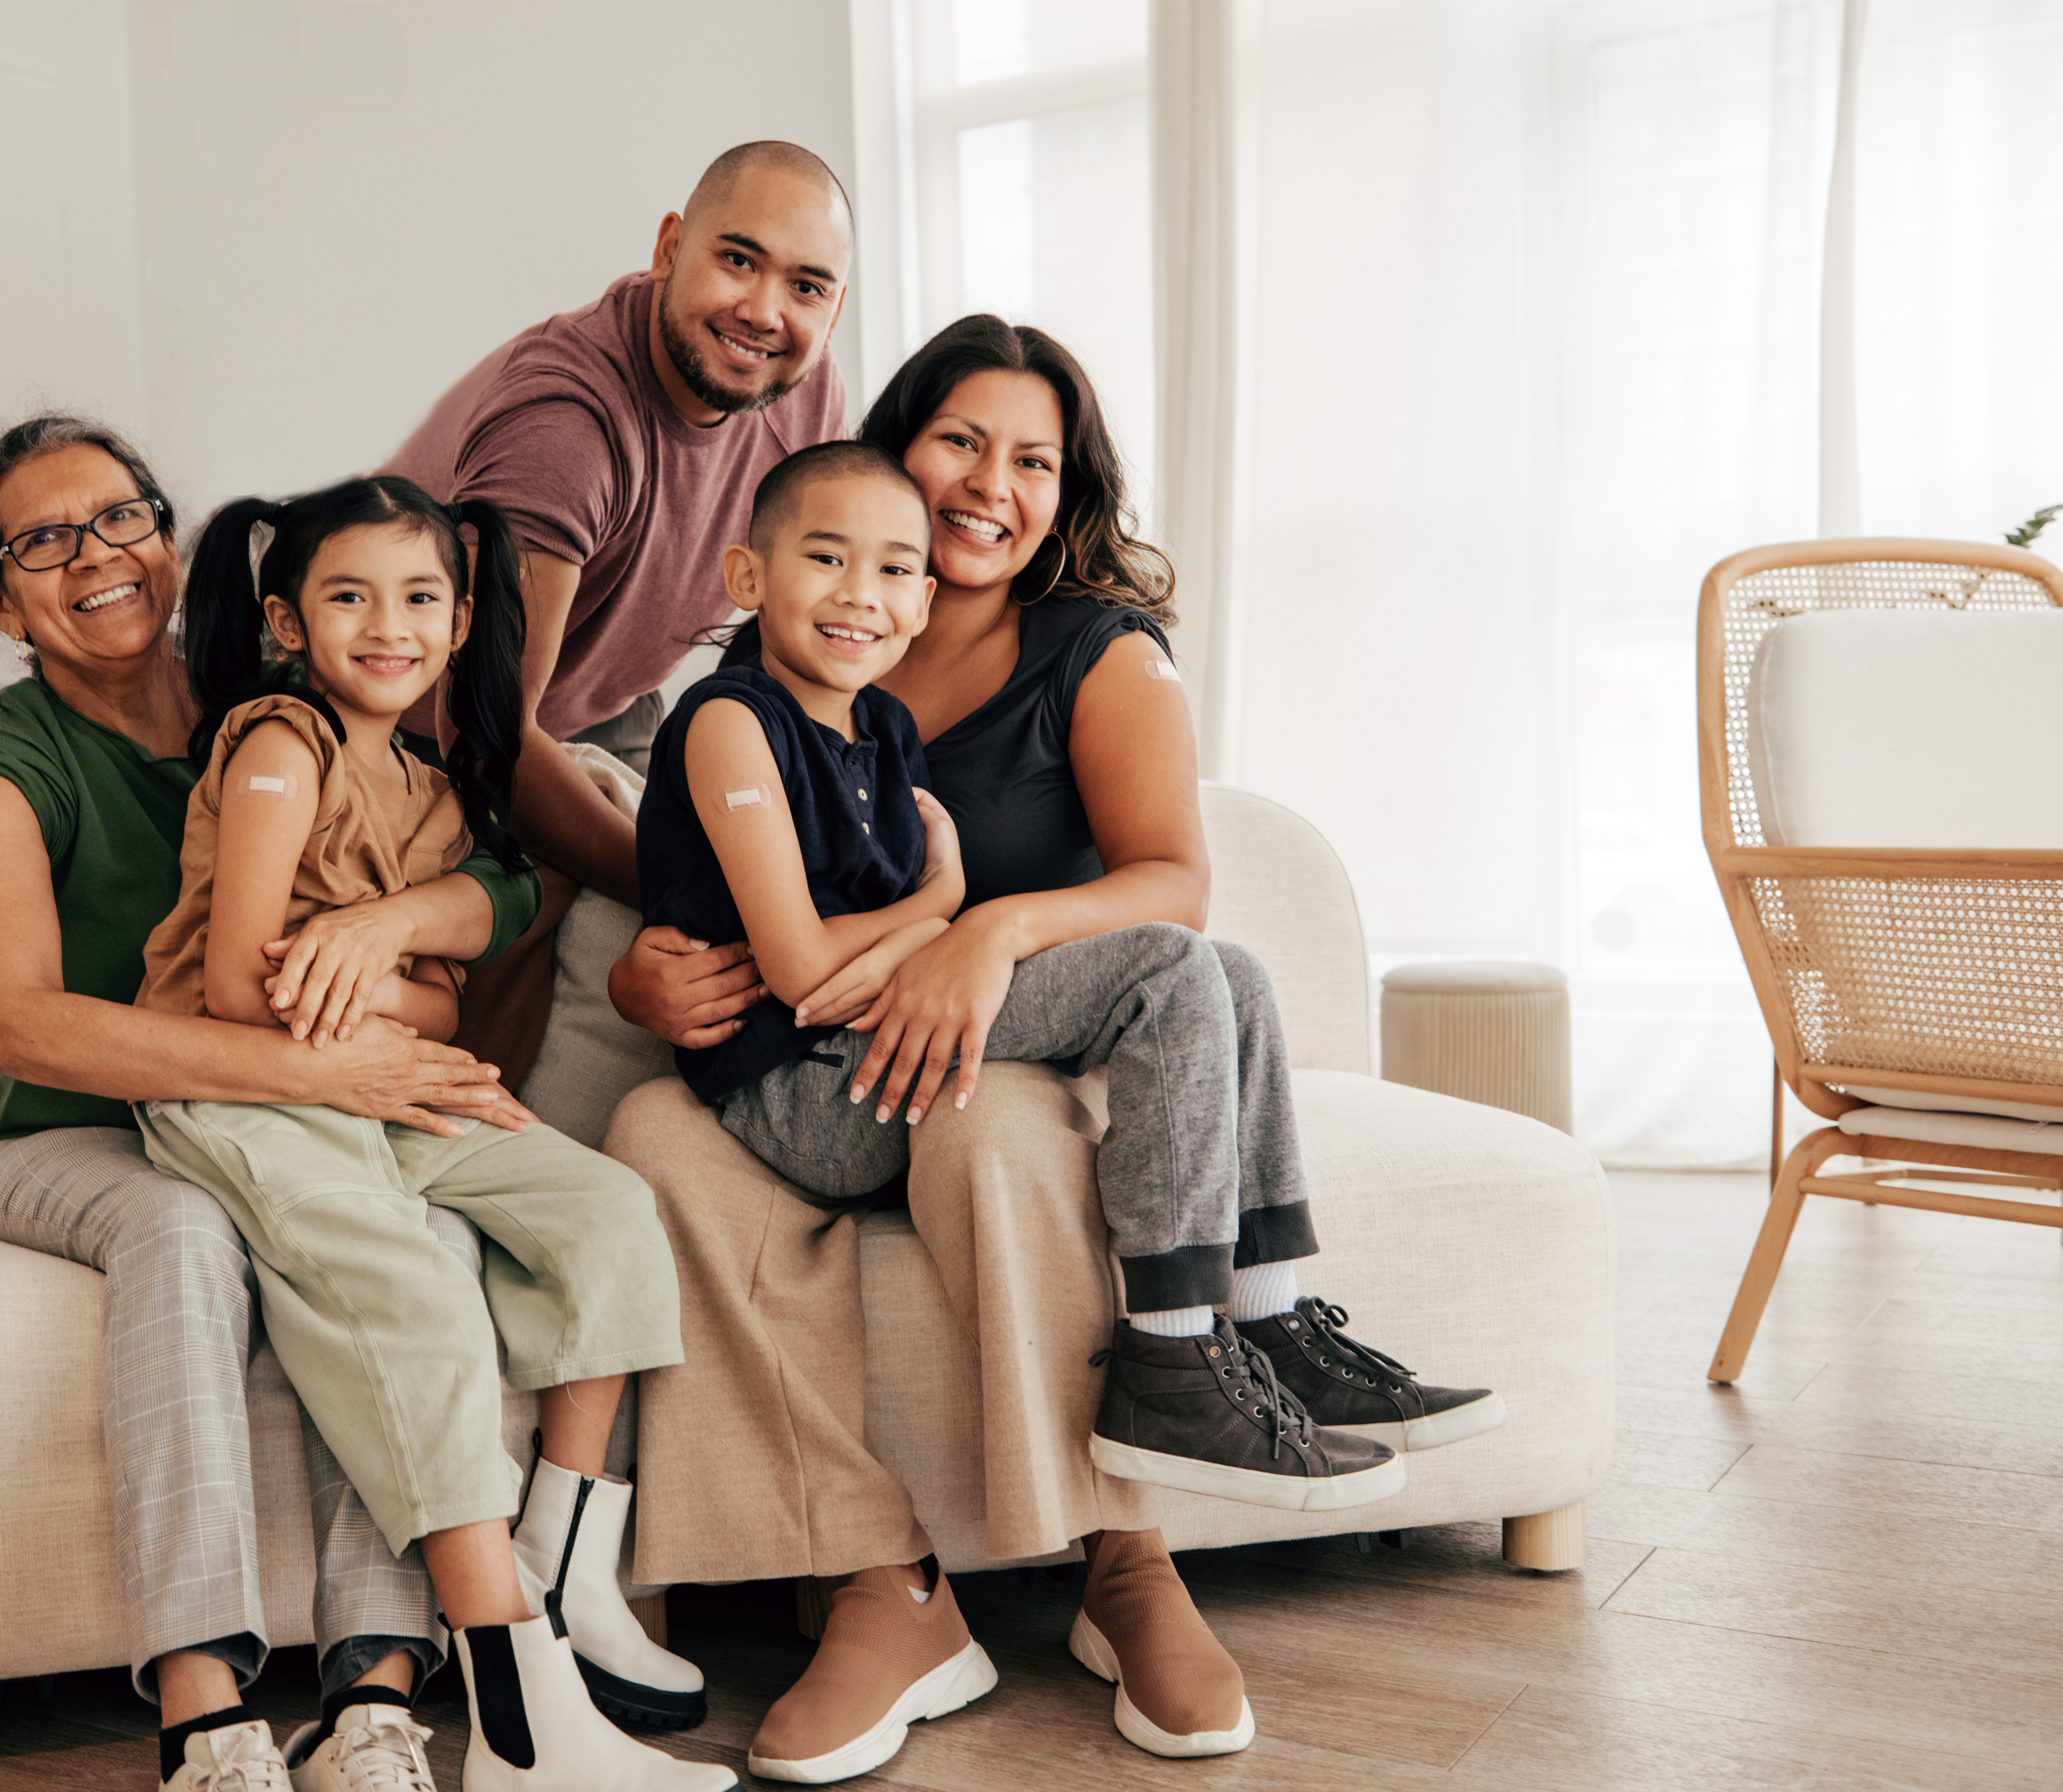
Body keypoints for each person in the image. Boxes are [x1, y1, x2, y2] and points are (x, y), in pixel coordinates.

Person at [612, 320, 1505, 1778]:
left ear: (1067, 490)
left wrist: (986, 931)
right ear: (889, 456)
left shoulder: (1094, 649)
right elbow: (712, 854)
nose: (990, 487)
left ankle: (1126, 1550)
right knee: (654, 1134)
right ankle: (876, 1576)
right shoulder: (816, 642)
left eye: (1033, 461)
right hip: (835, 1044)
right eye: (960, 443)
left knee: (1019, 1118)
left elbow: (1173, 886)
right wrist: (641, 968)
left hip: (1029, 1047)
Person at [0, 416, 533, 1792]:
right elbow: (17, 1023)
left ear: (170, 535)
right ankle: (205, 1716)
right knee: (188, 1229)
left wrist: (392, 924)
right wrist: (319, 1070)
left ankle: (375, 1693)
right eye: (43, 542)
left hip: (281, 1123)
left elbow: (505, 876)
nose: (97, 556)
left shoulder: (279, 703)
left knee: (421, 1235)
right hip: (72, 1137)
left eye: (122, 517)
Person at [127, 474, 729, 1792]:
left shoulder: (436, 792)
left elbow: (441, 1001)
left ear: (460, 623)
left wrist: (369, 957)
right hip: (248, 1090)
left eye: (418, 598)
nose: (388, 626)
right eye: (349, 597)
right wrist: (373, 981)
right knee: (415, 1293)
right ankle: (521, 1722)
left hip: (383, 1076)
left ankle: (563, 1564)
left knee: (604, 1208)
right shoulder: (279, 740)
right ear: (287, 621)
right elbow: (238, 987)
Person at [381, 138, 854, 1083]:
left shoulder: (806, 398)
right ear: (670, 246)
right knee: (521, 959)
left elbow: (810, 647)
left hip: (609, 695)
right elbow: (484, 731)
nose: (767, 312)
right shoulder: (566, 431)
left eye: (807, 287)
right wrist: (697, 889)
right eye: (739, 259)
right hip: (411, 724)